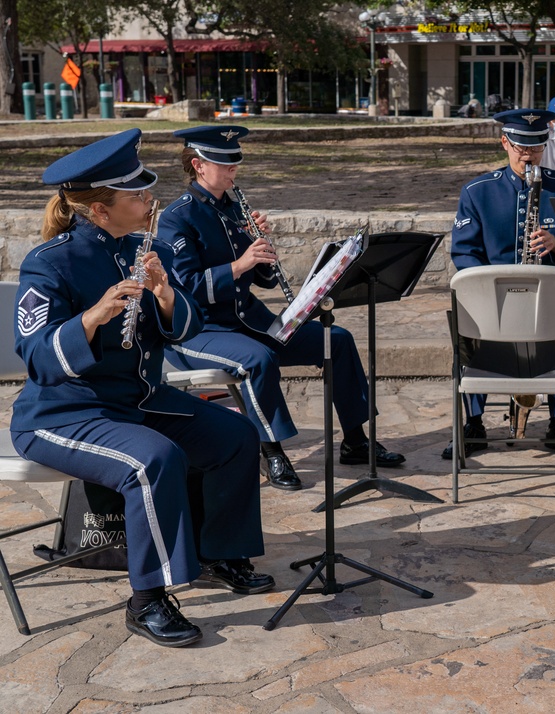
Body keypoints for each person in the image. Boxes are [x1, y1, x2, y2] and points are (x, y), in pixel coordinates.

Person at [10, 129, 274, 648]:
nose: (149, 199)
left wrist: (165, 294)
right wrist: (93, 316)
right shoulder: (48, 263)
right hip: (63, 413)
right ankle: (147, 599)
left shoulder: (140, 247)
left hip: (135, 400)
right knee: (152, 460)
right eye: (135, 195)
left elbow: (183, 330)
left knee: (235, 435)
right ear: (99, 211)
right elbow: (38, 358)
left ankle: (219, 551)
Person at [157, 126, 404, 492]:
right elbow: (188, 286)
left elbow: (266, 282)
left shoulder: (233, 209)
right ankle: (271, 451)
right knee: (258, 359)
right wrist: (240, 264)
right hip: (200, 331)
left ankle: (355, 439)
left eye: (235, 163)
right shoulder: (177, 218)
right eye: (224, 164)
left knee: (335, 339)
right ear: (198, 165)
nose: (233, 170)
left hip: (247, 321)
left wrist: (262, 252)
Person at [444, 108, 555, 460]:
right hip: (493, 308)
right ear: (504, 143)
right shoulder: (478, 191)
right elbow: (464, 252)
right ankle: (473, 422)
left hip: (547, 306)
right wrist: (485, 290)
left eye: (537, 147)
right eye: (521, 146)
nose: (529, 155)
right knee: (466, 319)